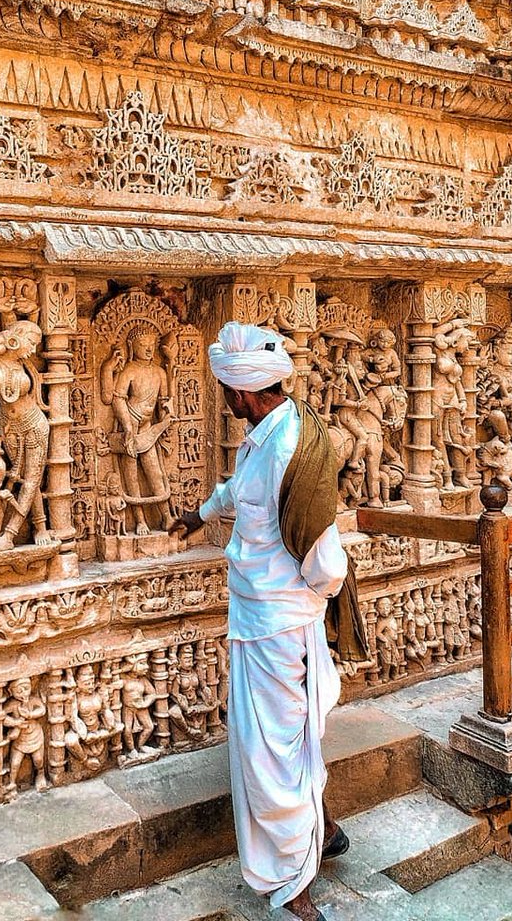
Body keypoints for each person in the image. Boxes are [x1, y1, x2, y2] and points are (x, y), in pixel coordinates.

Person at [170, 322, 368, 921]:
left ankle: (292, 884)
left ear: (242, 392)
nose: (225, 400)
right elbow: (243, 492)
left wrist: (303, 599)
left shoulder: (293, 450)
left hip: (278, 625)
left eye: (226, 390)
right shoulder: (266, 434)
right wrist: (201, 515)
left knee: (271, 757)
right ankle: (322, 831)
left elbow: (324, 557)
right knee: (287, 745)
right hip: (258, 619)